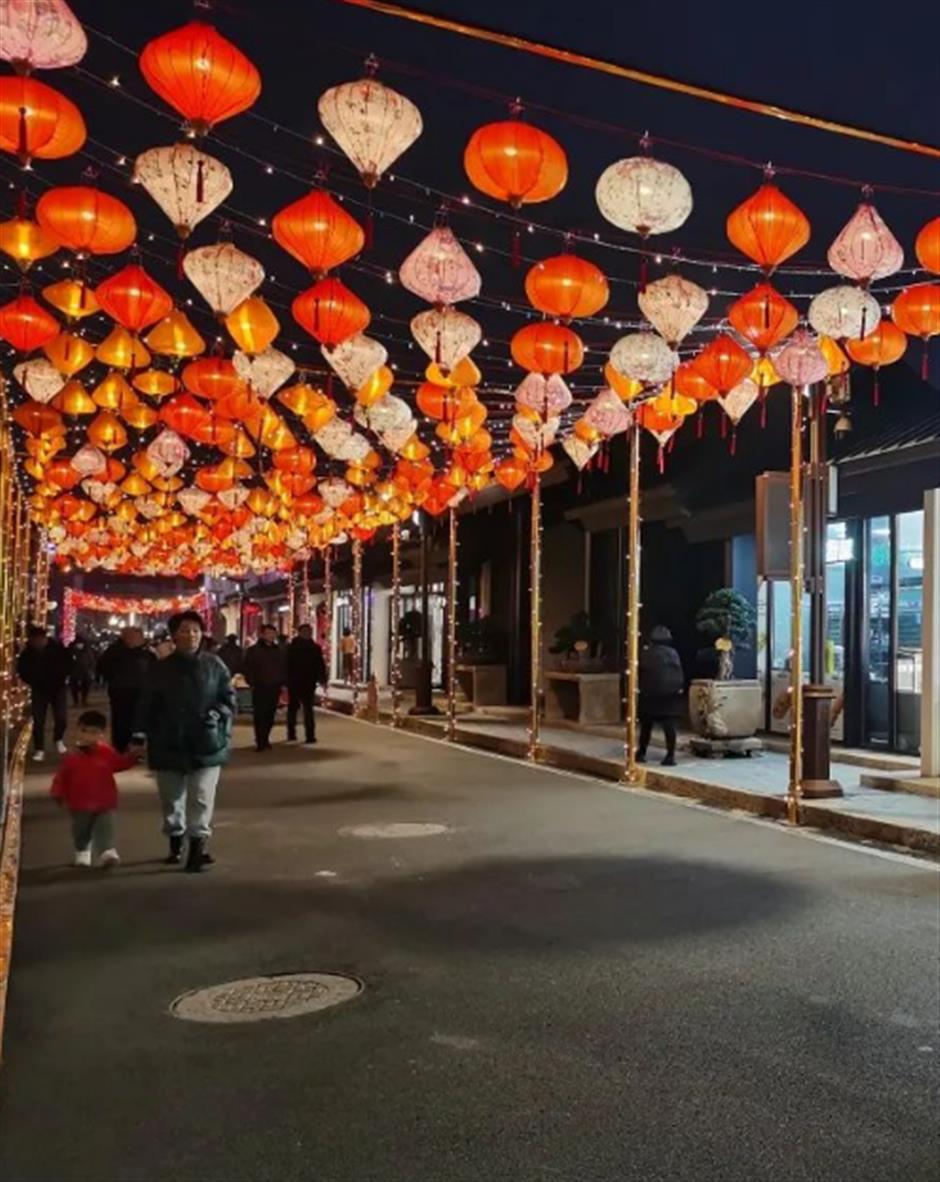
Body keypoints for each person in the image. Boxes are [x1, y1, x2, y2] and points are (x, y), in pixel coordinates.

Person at [132, 611, 235, 873]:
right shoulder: (160, 669)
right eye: (185, 630)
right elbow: (147, 704)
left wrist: (217, 714)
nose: (191, 635)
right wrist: (140, 733)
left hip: (207, 740)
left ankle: (198, 847)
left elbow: (228, 698)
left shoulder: (215, 665)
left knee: (201, 796)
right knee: (171, 798)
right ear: (174, 636)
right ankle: (175, 838)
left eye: (196, 631)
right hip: (168, 741)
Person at [50, 709, 137, 869]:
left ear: (102, 734)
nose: (88, 736)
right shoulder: (71, 758)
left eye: (94, 732)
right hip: (79, 803)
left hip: (105, 801)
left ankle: (107, 851)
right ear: (77, 731)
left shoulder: (105, 752)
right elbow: (61, 778)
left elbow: (119, 763)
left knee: (106, 827)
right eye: (84, 731)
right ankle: (82, 852)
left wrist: (132, 757)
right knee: (81, 830)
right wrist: (57, 793)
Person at [17, 625, 71, 762]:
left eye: (39, 639)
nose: (37, 643)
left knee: (61, 718)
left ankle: (58, 739)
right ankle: (39, 748)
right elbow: (22, 670)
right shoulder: (28, 653)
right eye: (34, 640)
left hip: (57, 688)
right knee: (38, 720)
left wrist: (63, 676)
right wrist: (32, 680)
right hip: (39, 689)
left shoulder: (58, 649)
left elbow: (69, 663)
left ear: (44, 638)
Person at [97, 627, 155, 753]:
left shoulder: (146, 652)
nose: (140, 639)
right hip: (120, 692)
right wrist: (114, 680)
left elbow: (154, 670)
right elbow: (102, 667)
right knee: (121, 721)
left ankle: (136, 748)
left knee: (140, 721)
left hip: (141, 693)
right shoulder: (114, 651)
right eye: (137, 636)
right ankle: (120, 748)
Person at [636, 625, 685, 767]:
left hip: (650, 696)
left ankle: (642, 752)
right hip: (670, 696)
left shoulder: (646, 653)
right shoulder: (673, 653)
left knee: (646, 726)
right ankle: (670, 756)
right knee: (669, 727)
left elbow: (640, 673)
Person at [243, 624, 286, 752]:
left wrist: (282, 682)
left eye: (273, 633)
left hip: (274, 686)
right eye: (268, 633)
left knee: (270, 714)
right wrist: (252, 681)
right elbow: (247, 667)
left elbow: (283, 667)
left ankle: (265, 737)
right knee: (259, 714)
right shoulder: (253, 651)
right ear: (262, 634)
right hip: (260, 686)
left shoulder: (279, 651)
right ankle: (260, 740)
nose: (270, 636)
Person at [286, 624, 327, 745]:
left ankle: (310, 735)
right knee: (293, 708)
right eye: (304, 631)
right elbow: (287, 664)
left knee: (308, 709)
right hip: (294, 682)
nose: (307, 634)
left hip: (308, 682)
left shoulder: (315, 648)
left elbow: (320, 665)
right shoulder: (292, 647)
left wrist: (322, 679)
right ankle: (291, 732)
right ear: (299, 632)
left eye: (309, 632)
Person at [66, 633, 96, 707]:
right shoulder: (71, 651)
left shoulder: (87, 650)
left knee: (85, 687)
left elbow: (91, 660)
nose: (80, 645)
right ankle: (76, 701)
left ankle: (84, 700)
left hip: (85, 671)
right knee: (74, 688)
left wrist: (91, 668)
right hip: (74, 672)